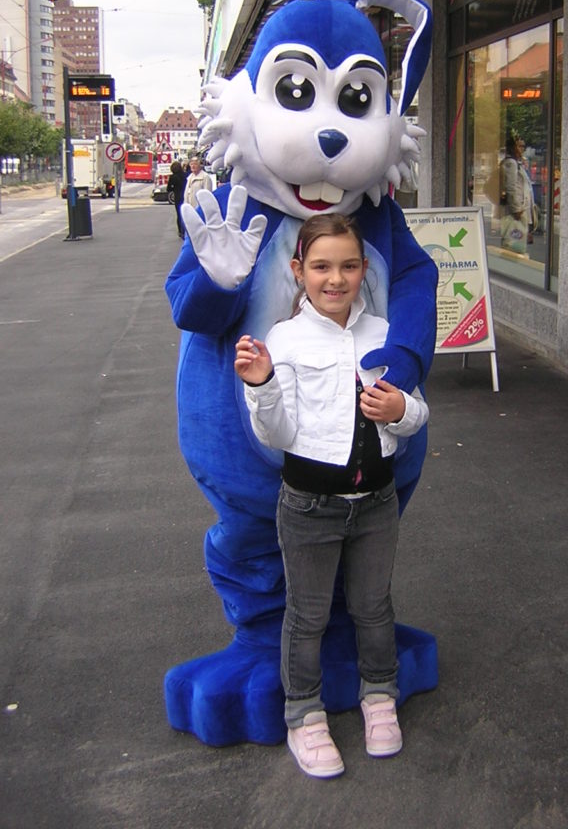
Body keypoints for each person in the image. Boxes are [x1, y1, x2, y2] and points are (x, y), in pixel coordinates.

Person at [233, 213, 429, 779]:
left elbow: (416, 413)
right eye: (321, 266)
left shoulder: (385, 332)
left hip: (377, 503)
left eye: (347, 266)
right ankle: (304, 714)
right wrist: (262, 384)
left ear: (364, 269)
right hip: (308, 506)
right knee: (308, 614)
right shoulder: (285, 339)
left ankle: (379, 696)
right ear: (299, 271)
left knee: (373, 606)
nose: (335, 279)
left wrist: (401, 409)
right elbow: (277, 436)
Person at [499, 135, 534, 254]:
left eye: (523, 146)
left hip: (520, 211)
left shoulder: (517, 163)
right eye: (519, 146)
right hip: (516, 213)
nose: (522, 149)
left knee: (517, 244)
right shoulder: (511, 163)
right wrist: (516, 209)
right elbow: (511, 187)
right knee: (514, 245)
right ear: (513, 147)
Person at [165, 160, 187, 238]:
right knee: (186, 213)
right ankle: (187, 229)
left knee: (179, 214)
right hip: (185, 195)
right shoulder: (185, 175)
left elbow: (168, 189)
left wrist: (173, 187)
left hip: (177, 197)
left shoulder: (172, 177)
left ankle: (180, 231)